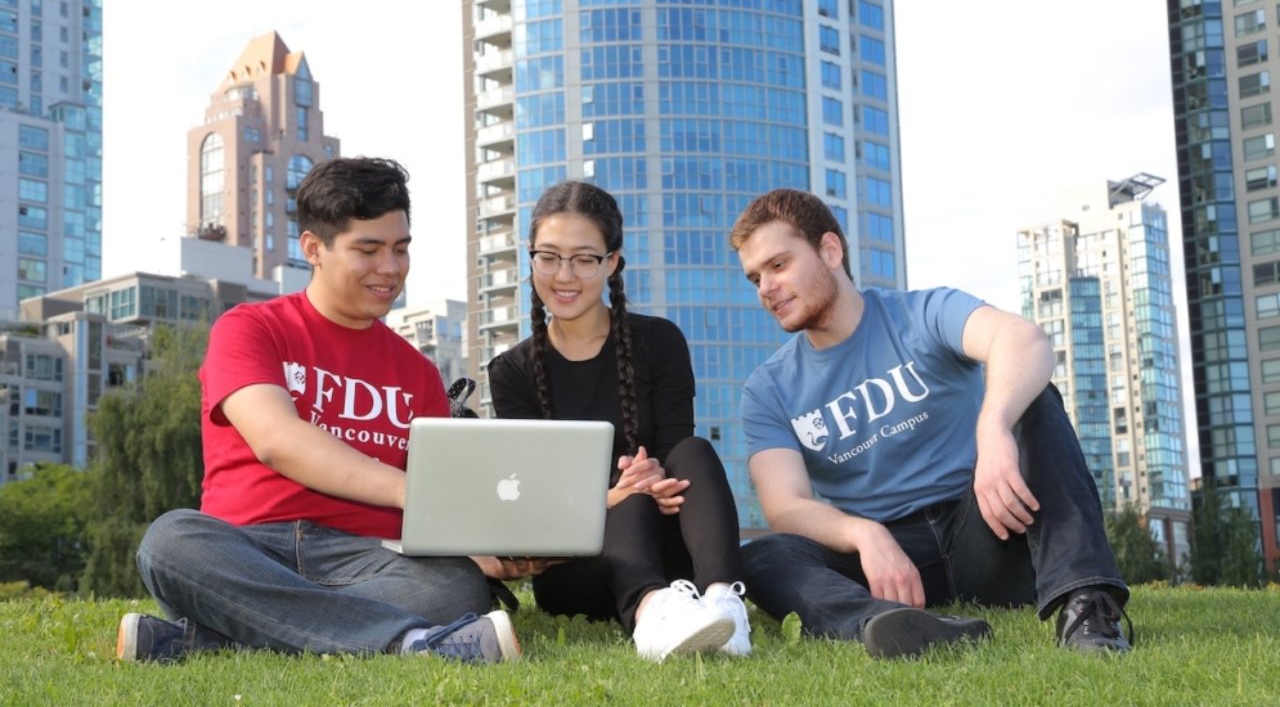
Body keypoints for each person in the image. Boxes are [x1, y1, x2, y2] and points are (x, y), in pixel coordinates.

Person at [115, 157, 520, 664]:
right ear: (313, 249)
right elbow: (277, 440)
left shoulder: (417, 371)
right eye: (368, 250)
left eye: (400, 249)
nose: (390, 268)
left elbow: (435, 502)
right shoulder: (250, 328)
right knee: (169, 542)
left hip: (366, 557)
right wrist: (408, 490)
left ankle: (212, 640)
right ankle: (409, 643)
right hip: (247, 549)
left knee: (456, 584)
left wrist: (490, 545)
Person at [728, 188, 1132, 659]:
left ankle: (1086, 610)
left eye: (779, 265)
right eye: (755, 277)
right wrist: (864, 534)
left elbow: (1022, 339)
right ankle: (890, 624)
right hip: (892, 565)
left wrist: (993, 426)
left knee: (1034, 398)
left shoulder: (922, 314)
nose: (765, 288)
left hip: (990, 524)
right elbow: (786, 506)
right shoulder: (768, 388)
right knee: (762, 556)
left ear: (830, 250)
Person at [487, 181, 751, 661]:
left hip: (675, 553)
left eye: (584, 258)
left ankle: (724, 606)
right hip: (579, 569)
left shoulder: (660, 342)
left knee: (694, 451)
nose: (564, 275)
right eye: (548, 256)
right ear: (530, 258)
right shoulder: (512, 371)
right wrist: (619, 494)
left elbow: (677, 453)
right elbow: (535, 501)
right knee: (627, 498)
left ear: (611, 262)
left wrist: (652, 482)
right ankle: (651, 615)